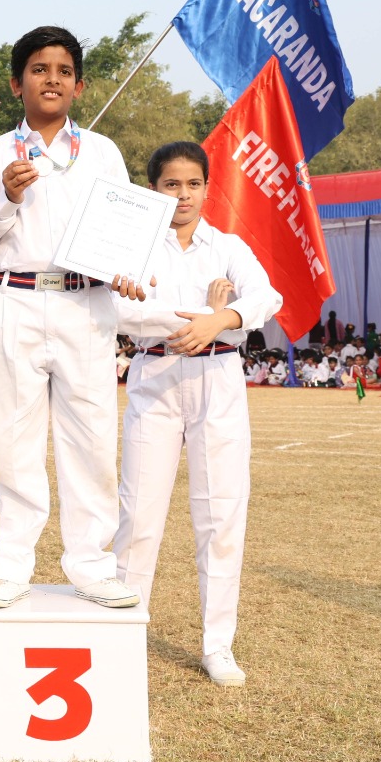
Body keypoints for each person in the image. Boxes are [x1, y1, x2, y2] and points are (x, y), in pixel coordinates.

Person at [0, 25, 147, 610]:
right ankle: (10, 563)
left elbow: (126, 230)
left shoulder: (103, 153)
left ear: (80, 86)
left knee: (90, 437)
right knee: (13, 437)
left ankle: (92, 564)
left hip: (87, 304)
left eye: (64, 71)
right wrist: (3, 200)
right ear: (17, 84)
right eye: (39, 70)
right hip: (14, 299)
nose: (52, 80)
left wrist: (129, 266)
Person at [113, 141, 282, 687]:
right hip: (155, 377)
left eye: (193, 184)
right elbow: (118, 307)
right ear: (152, 189)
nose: (183, 195)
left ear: (208, 188)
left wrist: (225, 317)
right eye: (170, 184)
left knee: (222, 512)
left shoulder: (228, 246)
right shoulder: (135, 246)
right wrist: (198, 319)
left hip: (219, 377)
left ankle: (218, 645)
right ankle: (125, 632)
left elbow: (266, 298)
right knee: (139, 512)